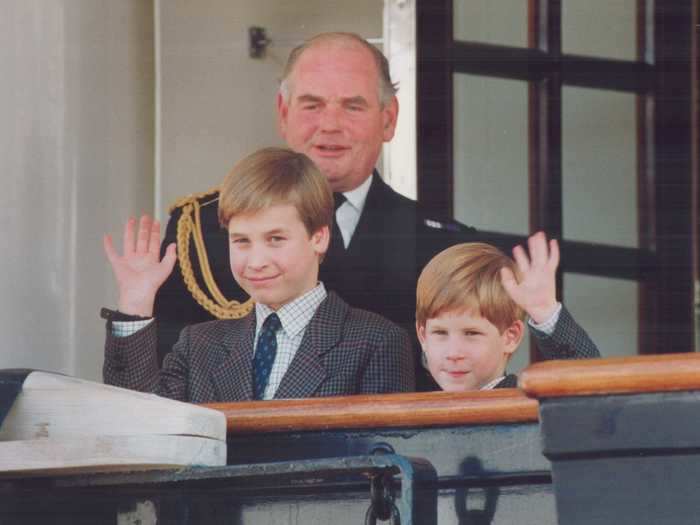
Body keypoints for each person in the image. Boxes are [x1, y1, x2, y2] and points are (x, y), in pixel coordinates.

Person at [154, 32, 476, 390]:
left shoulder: (446, 248)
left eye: (353, 106)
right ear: (283, 113)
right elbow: (162, 391)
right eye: (312, 104)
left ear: (388, 119)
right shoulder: (201, 230)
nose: (330, 124)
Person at [102, 148, 415, 402]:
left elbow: (380, 463)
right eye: (241, 241)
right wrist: (136, 303)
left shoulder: (377, 341)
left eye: (275, 239)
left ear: (318, 238)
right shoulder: (198, 344)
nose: (256, 262)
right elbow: (140, 422)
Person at [415, 233, 600, 391]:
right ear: (423, 336)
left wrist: (545, 312)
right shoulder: (416, 413)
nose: (453, 352)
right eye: (440, 332)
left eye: (471, 333)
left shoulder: (532, 401)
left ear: (510, 337)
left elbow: (593, 385)